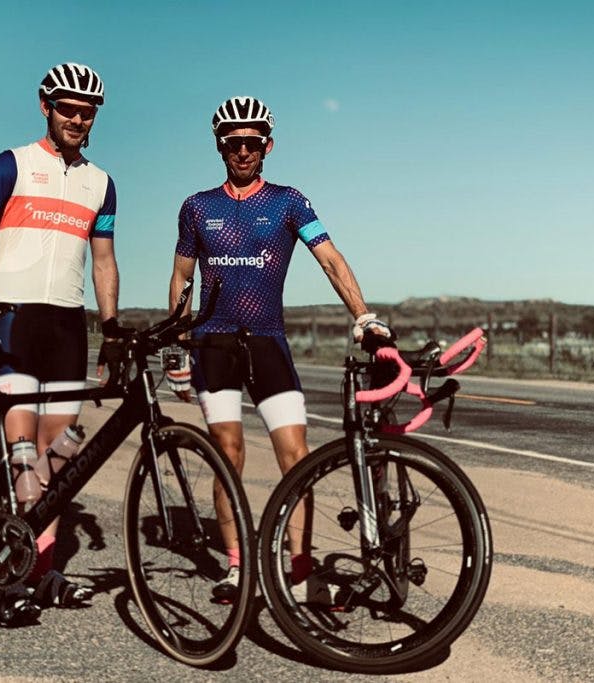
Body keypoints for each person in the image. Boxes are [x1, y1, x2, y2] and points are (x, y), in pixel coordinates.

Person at [166, 96, 394, 602]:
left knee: (297, 458)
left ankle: (300, 570)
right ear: (220, 146)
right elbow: (182, 279)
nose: (243, 151)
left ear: (267, 146)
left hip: (267, 341)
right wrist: (176, 350)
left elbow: (330, 260)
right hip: (213, 344)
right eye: (233, 143)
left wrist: (364, 315)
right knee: (228, 455)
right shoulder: (198, 207)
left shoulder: (290, 201)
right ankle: (235, 566)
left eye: (252, 142)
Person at [0, 62, 121, 614]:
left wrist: (113, 324)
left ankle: (37, 568)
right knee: (24, 457)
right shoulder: (14, 163)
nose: (77, 118)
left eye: (86, 111)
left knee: (59, 459)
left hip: (68, 324)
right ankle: (8, 576)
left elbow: (103, 262)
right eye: (67, 108)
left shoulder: (101, 183)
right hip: (15, 317)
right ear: (45, 106)